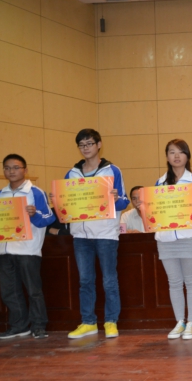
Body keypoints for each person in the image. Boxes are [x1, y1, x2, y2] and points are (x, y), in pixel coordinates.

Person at [0, 154, 55, 339]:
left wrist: (34, 214)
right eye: (7, 168)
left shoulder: (35, 192)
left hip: (28, 250)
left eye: (16, 167)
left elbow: (49, 219)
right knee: (9, 291)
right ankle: (19, 326)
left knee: (33, 291)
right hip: (3, 250)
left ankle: (39, 326)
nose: (11, 171)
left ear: (25, 170)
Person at [65, 129, 129, 339]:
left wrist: (115, 198)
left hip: (105, 234)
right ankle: (88, 322)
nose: (86, 148)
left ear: (99, 145)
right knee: (85, 281)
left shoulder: (112, 170)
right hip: (81, 236)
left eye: (89, 143)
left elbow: (124, 201)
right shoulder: (72, 173)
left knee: (109, 280)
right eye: (81, 145)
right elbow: (66, 204)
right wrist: (58, 200)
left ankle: (111, 321)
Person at [155, 139, 192, 340]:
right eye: (171, 152)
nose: (176, 156)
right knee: (174, 282)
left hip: (189, 237)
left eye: (180, 152)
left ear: (187, 156)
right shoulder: (160, 183)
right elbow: (155, 212)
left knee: (191, 280)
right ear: (167, 157)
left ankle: (191, 323)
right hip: (165, 240)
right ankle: (179, 322)